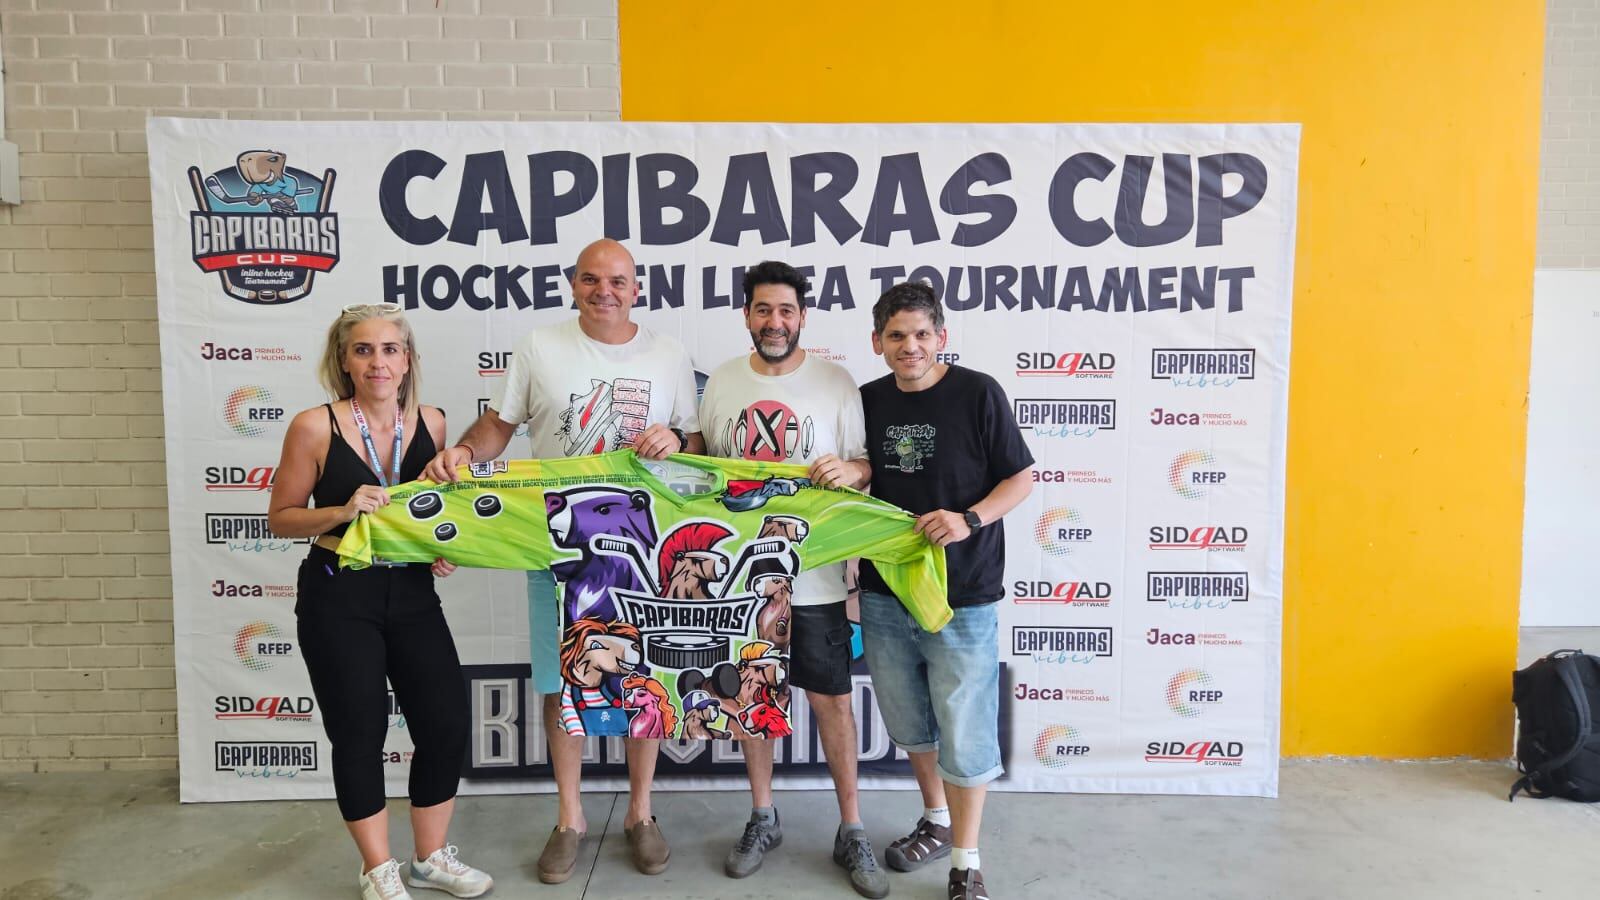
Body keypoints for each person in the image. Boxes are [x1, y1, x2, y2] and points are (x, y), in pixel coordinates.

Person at [421, 238, 703, 883]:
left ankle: (640, 813)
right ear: (572, 285)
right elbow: (500, 423)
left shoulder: (669, 352)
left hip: (643, 541)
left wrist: (678, 437)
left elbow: (696, 440)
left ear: (638, 288)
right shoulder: (539, 345)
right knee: (560, 681)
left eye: (619, 280)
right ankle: (569, 818)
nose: (606, 290)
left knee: (643, 679)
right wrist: (466, 452)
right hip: (558, 542)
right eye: (591, 279)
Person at [267, 303, 492, 900]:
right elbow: (280, 518)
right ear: (343, 360)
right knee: (359, 731)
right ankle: (377, 868)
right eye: (363, 350)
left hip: (412, 590)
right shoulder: (315, 426)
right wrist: (343, 509)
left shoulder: (435, 423)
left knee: (444, 723)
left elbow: (434, 511)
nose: (378, 362)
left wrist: (440, 547)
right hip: (340, 590)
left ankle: (430, 858)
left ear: (408, 357)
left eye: (390, 349)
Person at [698, 261, 887, 897]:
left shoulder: (836, 382)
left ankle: (852, 826)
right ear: (746, 315)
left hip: (817, 581)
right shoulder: (722, 381)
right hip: (742, 580)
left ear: (802, 316)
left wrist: (852, 472)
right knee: (754, 700)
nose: (774, 322)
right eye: (762, 310)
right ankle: (762, 816)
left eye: (785, 311)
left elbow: (866, 466)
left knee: (832, 699)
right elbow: (701, 470)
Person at [855, 282, 1034, 900]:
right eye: (897, 336)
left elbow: (1021, 478)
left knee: (965, 726)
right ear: (877, 343)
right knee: (910, 722)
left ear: (942, 338)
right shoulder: (867, 401)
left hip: (965, 594)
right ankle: (935, 819)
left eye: (922, 334)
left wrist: (970, 519)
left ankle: (966, 860)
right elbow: (861, 473)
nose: (911, 346)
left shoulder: (979, 392)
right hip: (884, 591)